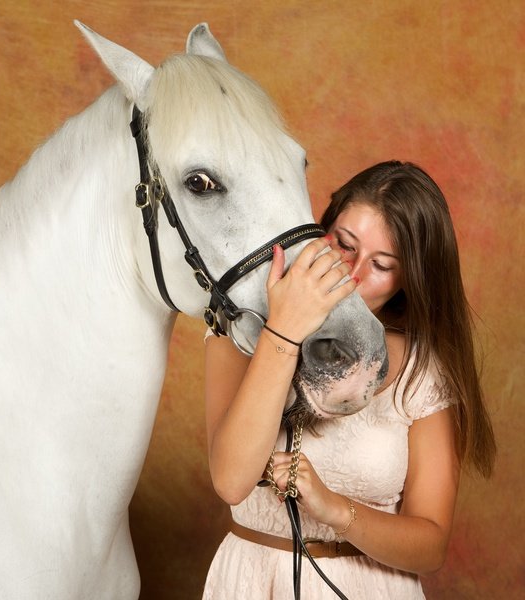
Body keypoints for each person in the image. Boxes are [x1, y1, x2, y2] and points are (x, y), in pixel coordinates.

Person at [202, 161, 496, 599]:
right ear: (319, 231)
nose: (353, 276)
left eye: (381, 264)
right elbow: (230, 479)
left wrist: (335, 509)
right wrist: (283, 330)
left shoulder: (421, 369)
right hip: (250, 582)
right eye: (343, 244)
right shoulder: (239, 332)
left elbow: (430, 545)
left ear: (408, 281)